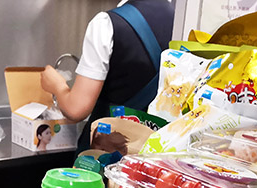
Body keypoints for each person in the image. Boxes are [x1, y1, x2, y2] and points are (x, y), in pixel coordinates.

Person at [41, 0, 174, 153]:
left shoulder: (106, 23)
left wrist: (56, 85)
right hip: (158, 152)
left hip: (108, 154)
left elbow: (76, 109)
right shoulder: (183, 18)